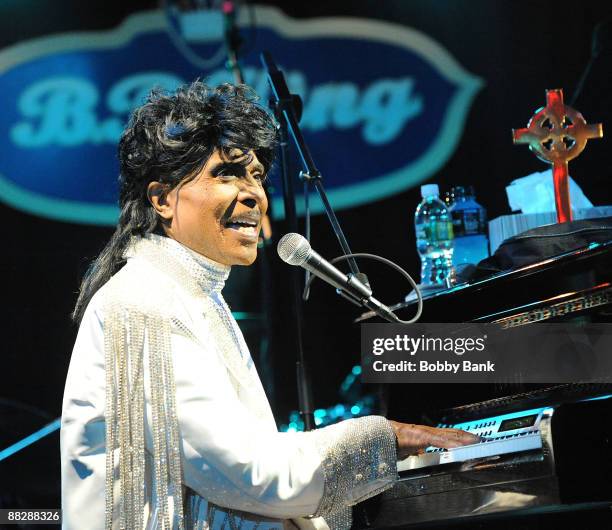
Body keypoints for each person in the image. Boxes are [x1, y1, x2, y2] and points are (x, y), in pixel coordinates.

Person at [61, 81, 478, 530]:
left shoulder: (189, 294)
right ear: (163, 199)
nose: (254, 194)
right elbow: (251, 474)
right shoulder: (145, 304)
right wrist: (389, 437)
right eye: (226, 173)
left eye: (256, 175)